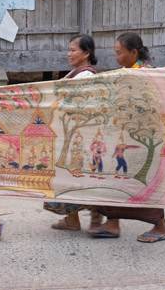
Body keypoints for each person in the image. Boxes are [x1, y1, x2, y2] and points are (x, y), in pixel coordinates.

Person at [85, 32, 165, 242]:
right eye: (115, 53)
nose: (117, 57)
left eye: (120, 53)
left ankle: (161, 226)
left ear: (133, 52)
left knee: (140, 185)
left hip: (142, 138)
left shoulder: (146, 74)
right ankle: (112, 223)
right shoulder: (128, 71)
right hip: (125, 134)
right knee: (116, 181)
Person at [44, 34, 104, 232]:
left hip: (80, 136)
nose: (68, 54)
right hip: (69, 133)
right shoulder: (74, 73)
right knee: (67, 177)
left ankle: (95, 218)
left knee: (81, 178)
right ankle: (72, 219)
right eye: (68, 50)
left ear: (86, 53)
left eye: (73, 50)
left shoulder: (85, 76)